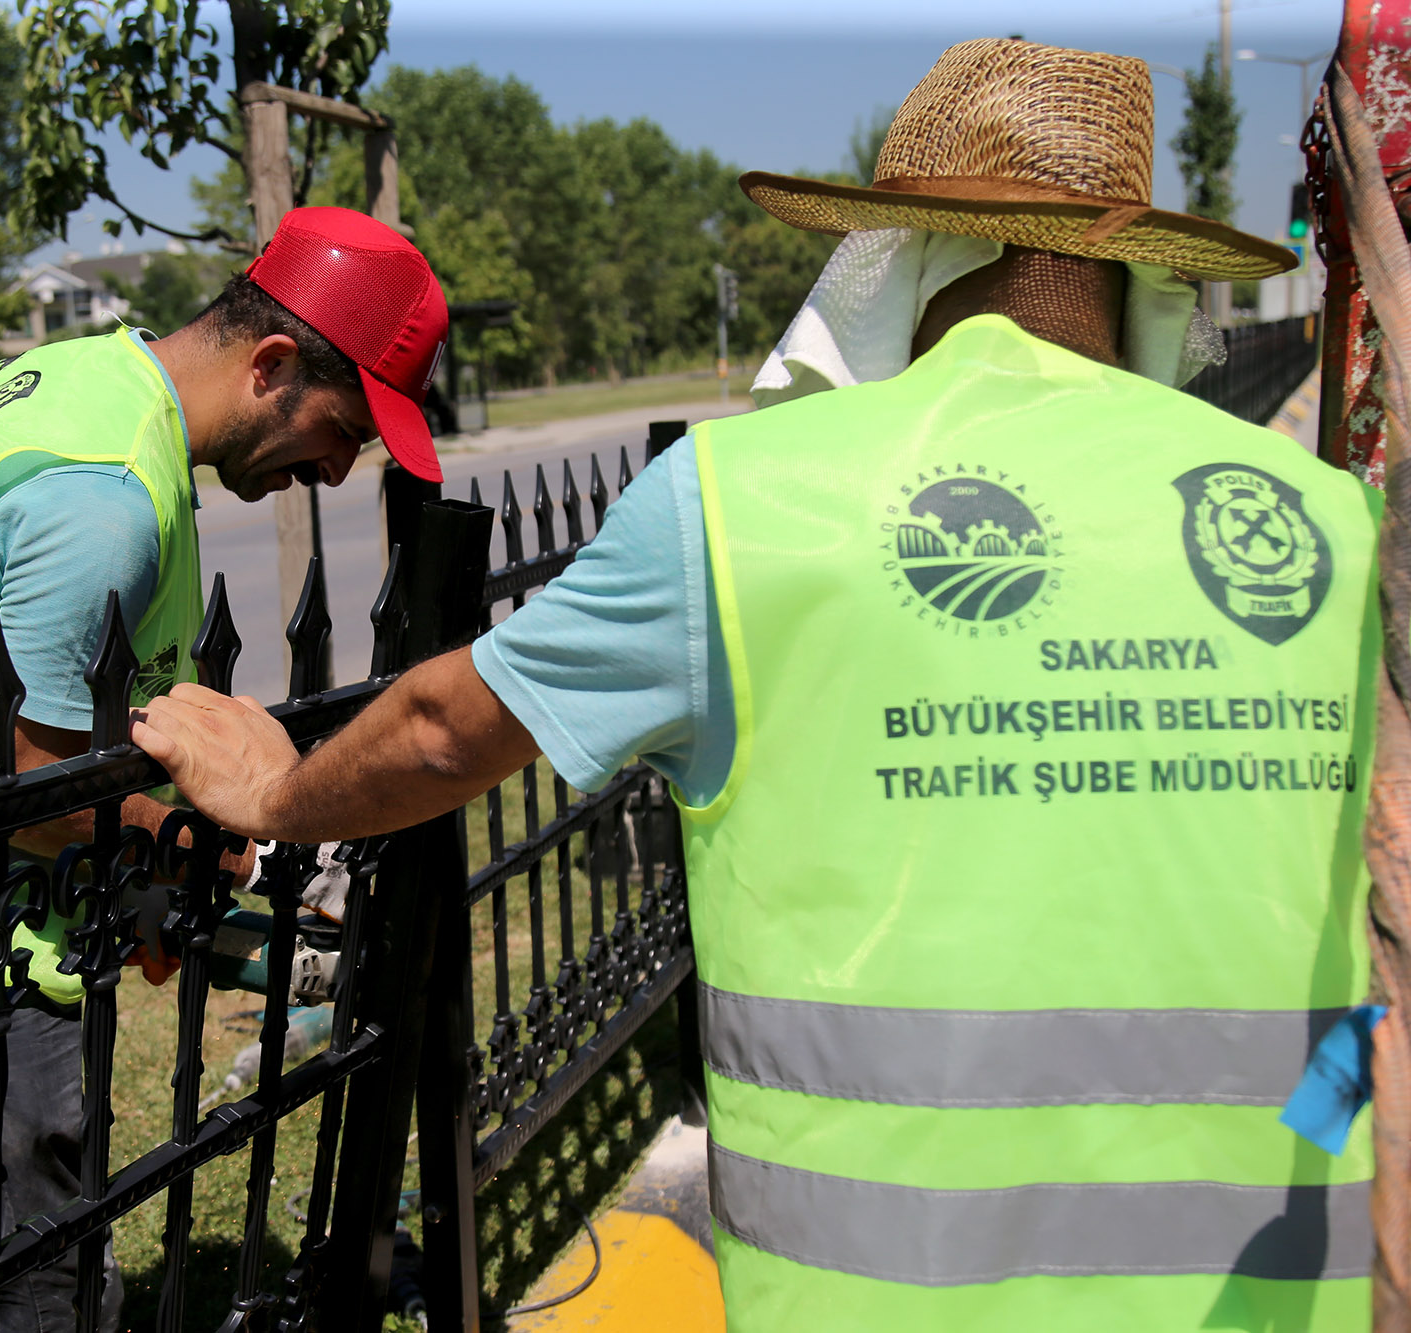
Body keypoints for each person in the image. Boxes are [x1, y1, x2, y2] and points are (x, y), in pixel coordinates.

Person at [133, 40, 1382, 1331]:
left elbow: (451, 725)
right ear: (1145, 278)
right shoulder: (1322, 518)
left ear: (891, 260)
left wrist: (276, 790)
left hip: (888, 1298)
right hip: (1284, 1282)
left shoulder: (750, 503)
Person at [0, 206, 450, 1330]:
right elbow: (31, 783)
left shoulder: (86, 382)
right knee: (45, 1279)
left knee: (49, 1250)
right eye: (342, 426)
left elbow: (76, 723)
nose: (339, 467)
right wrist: (217, 844)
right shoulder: (105, 491)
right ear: (271, 365)